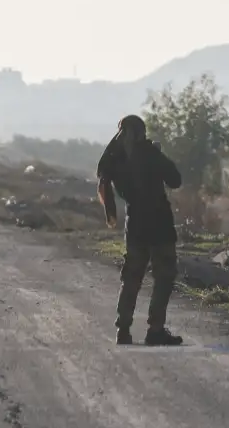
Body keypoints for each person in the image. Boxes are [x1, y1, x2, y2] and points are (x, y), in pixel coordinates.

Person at [96, 114, 184, 346]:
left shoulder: (114, 160)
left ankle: (123, 329)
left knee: (132, 278)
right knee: (163, 276)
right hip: (159, 225)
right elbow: (175, 180)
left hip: (135, 225)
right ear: (142, 133)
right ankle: (155, 329)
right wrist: (158, 152)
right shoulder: (149, 153)